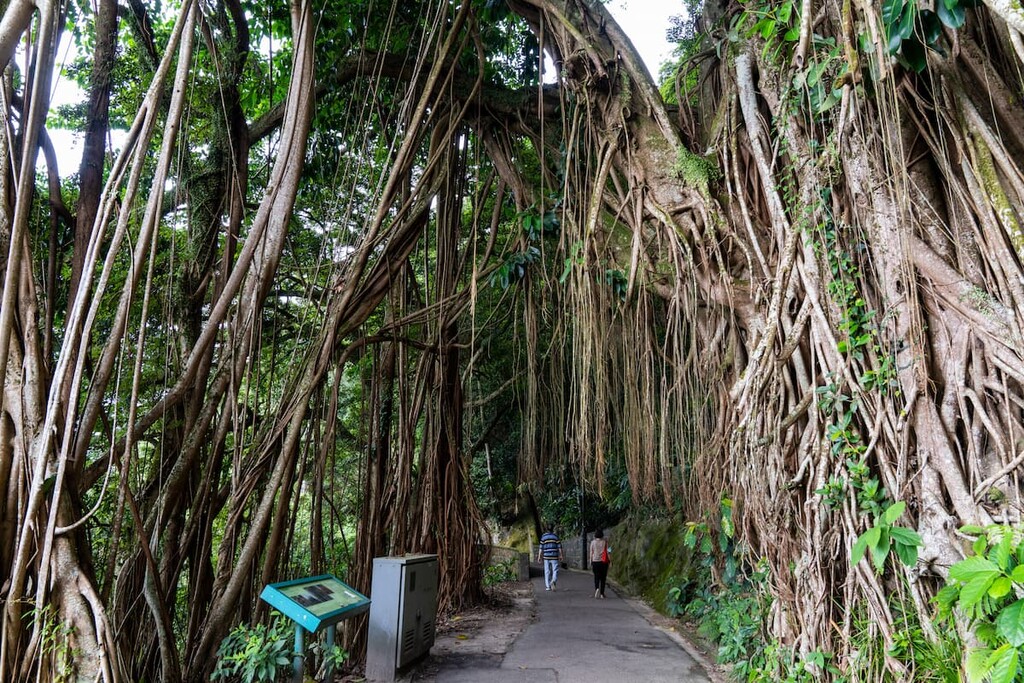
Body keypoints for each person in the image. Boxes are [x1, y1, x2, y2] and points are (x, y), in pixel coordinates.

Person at [537, 526, 563, 591]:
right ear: (552, 529)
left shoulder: (543, 537)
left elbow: (541, 548)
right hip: (554, 556)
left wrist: (539, 556)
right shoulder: (555, 536)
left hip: (546, 557)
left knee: (547, 571)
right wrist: (561, 555)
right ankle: (553, 581)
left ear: (546, 529)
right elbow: (559, 547)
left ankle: (548, 586)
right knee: (555, 570)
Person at [589, 529, 610, 598]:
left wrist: (590, 561)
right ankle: (602, 594)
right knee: (603, 578)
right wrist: (610, 560)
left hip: (595, 561)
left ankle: (597, 589)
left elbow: (591, 552)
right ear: (602, 534)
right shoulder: (605, 542)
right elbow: (608, 552)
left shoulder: (592, 542)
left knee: (596, 577)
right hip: (604, 562)